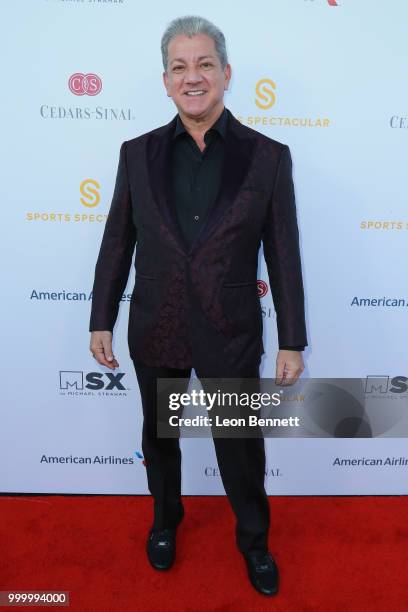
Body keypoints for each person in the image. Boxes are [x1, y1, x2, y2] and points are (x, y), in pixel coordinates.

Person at [89, 15, 307, 597]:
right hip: (156, 324)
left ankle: (254, 543)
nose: (193, 77)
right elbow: (118, 241)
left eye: (204, 64)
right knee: (160, 438)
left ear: (226, 73)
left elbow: (283, 251)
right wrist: (100, 319)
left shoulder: (268, 157)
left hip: (230, 329)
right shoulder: (136, 154)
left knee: (239, 447)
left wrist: (292, 338)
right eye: (180, 67)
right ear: (165, 81)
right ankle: (166, 520)